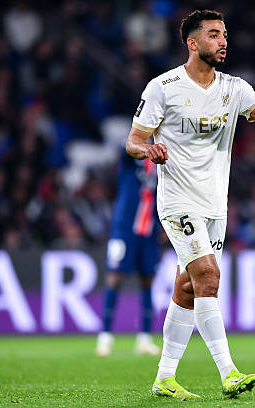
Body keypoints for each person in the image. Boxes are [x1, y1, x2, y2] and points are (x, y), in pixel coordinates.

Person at [125, 9, 255, 399]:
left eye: (224, 34)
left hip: (214, 206)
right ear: (192, 43)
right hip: (178, 200)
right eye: (213, 35)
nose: (223, 41)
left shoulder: (233, 88)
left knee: (188, 287)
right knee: (208, 275)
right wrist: (148, 149)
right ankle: (229, 372)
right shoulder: (163, 87)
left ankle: (164, 378)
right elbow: (133, 141)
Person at [95, 146, 161, 357]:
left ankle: (144, 339)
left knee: (148, 280)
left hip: (149, 231)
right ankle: (105, 337)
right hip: (124, 229)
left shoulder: (162, 160)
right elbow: (125, 148)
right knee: (115, 277)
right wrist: (143, 143)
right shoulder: (133, 155)